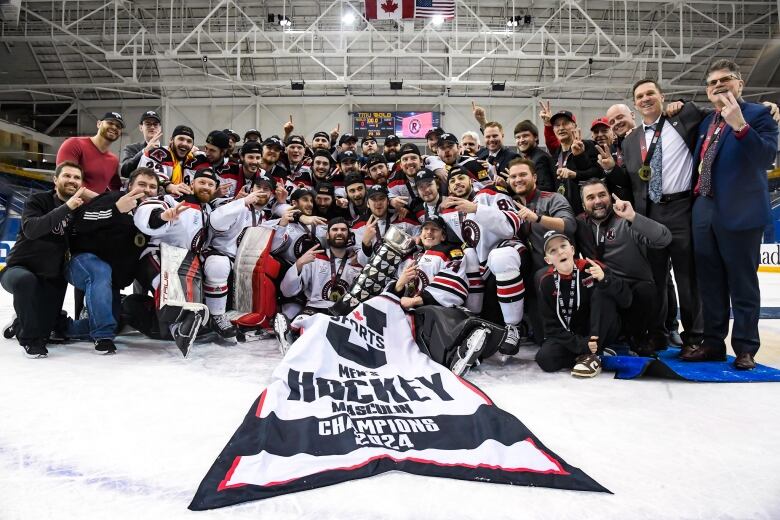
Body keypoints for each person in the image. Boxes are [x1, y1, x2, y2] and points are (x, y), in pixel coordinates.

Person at [685, 60, 780, 369]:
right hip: (705, 209)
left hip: (741, 212)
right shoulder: (705, 123)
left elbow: (766, 157)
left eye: (725, 79)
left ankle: (745, 347)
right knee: (710, 285)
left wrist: (740, 125)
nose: (719, 85)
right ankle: (713, 344)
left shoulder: (760, 114)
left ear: (740, 84)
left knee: (743, 283)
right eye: (712, 82)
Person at [621, 78, 706, 353]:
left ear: (662, 96)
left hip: (682, 208)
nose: (645, 99)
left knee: (687, 278)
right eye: (640, 96)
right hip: (650, 213)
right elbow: (633, 182)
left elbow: (719, 114)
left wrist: (762, 108)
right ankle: (657, 332)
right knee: (655, 278)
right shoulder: (631, 140)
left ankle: (694, 337)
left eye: (650, 94)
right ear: (635, 104)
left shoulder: (682, 117)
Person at [64, 167, 160, 353]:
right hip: (81, 262)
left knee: (111, 322)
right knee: (100, 271)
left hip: (110, 281)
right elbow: (80, 220)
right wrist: (115, 209)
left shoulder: (153, 215)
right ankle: (103, 338)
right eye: (142, 184)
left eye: (152, 186)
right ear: (129, 185)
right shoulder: (112, 198)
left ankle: (54, 326)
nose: (147, 190)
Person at [576, 178, 672, 356]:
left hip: (633, 292)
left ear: (611, 198)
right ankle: (595, 342)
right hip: (605, 289)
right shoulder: (579, 224)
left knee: (646, 290)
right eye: (590, 197)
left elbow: (664, 238)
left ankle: (638, 337)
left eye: (602, 195)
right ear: (583, 204)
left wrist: (634, 217)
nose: (597, 201)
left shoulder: (626, 220)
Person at [1, 162, 85, 358]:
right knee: (25, 281)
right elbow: (32, 230)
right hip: (18, 269)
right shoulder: (37, 201)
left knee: (47, 332)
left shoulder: (79, 210)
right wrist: (67, 207)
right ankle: (29, 340)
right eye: (67, 176)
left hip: (52, 276)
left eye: (76, 177)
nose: (72, 180)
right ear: (55, 180)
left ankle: (20, 322)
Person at [131, 168, 219, 354]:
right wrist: (162, 217)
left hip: (185, 261)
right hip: (158, 254)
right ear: (191, 184)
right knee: (165, 286)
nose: (206, 187)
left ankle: (173, 327)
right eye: (201, 182)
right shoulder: (173, 199)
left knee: (171, 316)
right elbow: (149, 211)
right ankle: (175, 327)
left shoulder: (210, 210)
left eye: (210, 184)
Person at [535, 230, 632, 378]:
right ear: (548, 260)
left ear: (572, 250)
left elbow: (626, 300)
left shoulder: (592, 267)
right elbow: (551, 328)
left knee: (601, 291)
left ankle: (595, 352)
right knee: (545, 359)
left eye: (563, 246)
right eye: (553, 250)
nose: (560, 252)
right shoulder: (546, 282)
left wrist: (605, 279)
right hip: (576, 336)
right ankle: (592, 354)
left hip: (603, 329)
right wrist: (581, 344)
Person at [280, 218, 363, 315]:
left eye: (343, 230)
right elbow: (287, 291)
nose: (339, 232)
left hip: (345, 312)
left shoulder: (358, 264)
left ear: (349, 236)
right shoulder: (314, 259)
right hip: (315, 310)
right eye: (335, 229)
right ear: (327, 235)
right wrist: (299, 264)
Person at [389, 215, 469, 310]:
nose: (429, 232)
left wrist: (415, 301)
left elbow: (455, 284)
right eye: (425, 228)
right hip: (405, 313)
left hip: (434, 314)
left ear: (443, 236)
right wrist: (399, 284)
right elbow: (392, 293)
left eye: (434, 229)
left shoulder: (451, 252)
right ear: (421, 234)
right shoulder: (410, 256)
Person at [56, 111, 123, 195]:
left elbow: (116, 188)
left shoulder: (113, 160)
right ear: (99, 124)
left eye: (118, 126)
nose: (114, 127)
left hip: (95, 207)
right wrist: (99, 200)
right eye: (110, 123)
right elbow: (65, 181)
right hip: (69, 205)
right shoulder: (74, 144)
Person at [139, 125, 197, 197]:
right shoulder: (156, 154)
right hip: (151, 200)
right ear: (171, 140)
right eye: (181, 139)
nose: (185, 143)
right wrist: (169, 186)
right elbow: (150, 176)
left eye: (189, 141)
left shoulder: (193, 160)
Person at [513, 120, 556, 192]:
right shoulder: (528, 158)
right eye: (518, 137)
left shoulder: (541, 158)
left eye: (525, 136)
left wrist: (518, 190)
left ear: (535, 137)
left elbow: (546, 188)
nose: (521, 140)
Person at [120, 110, 163, 178]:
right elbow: (124, 171)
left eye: (155, 124)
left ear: (160, 128)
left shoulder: (168, 151)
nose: (152, 127)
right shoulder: (131, 148)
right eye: (148, 124)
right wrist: (145, 151)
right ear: (141, 127)